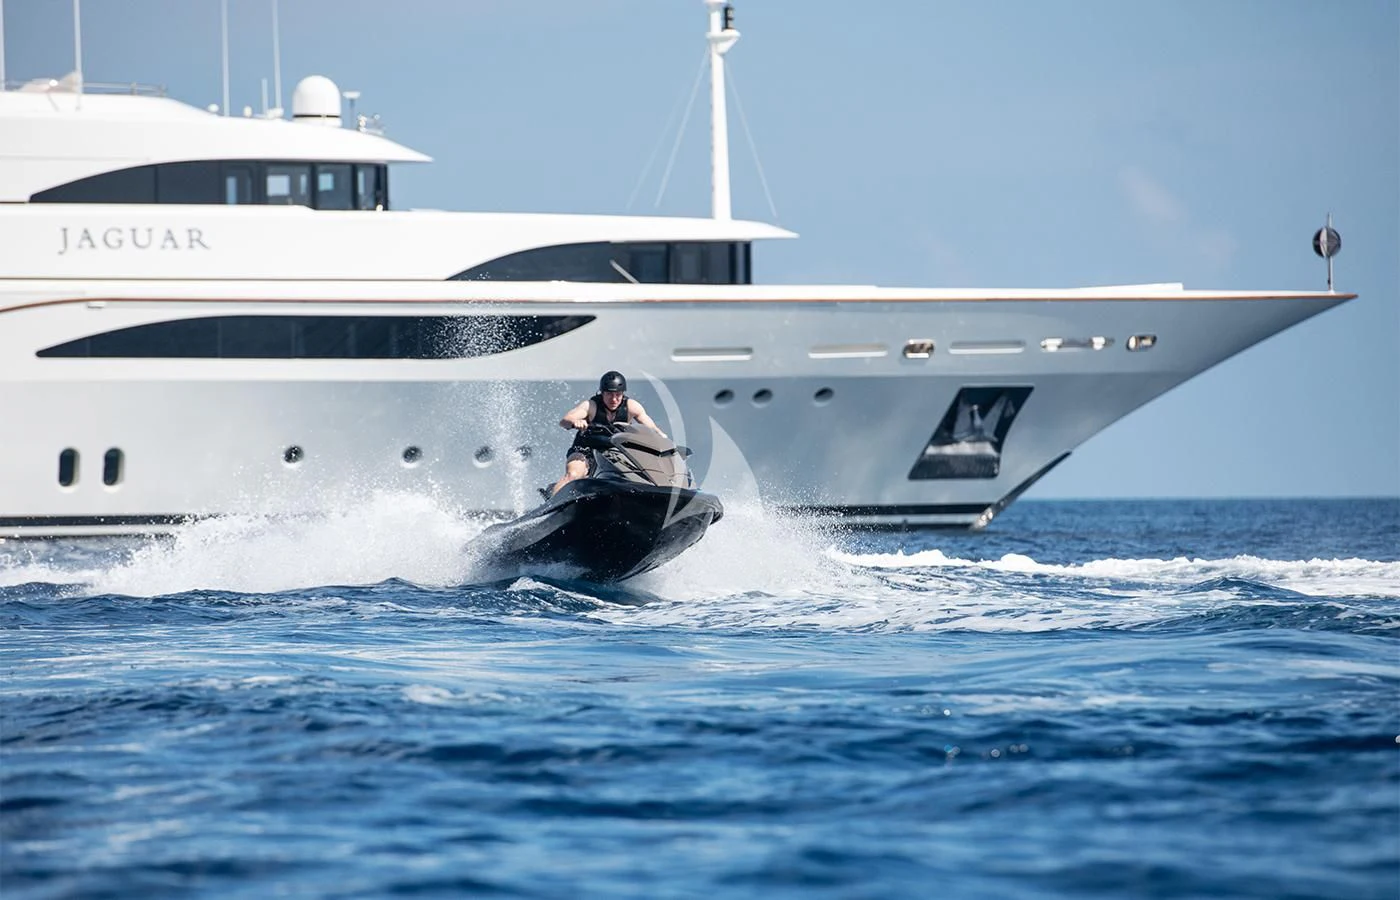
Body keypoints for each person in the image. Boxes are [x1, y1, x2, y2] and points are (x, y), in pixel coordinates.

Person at [551, 371, 666, 496]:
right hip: (585, 449)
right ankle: (552, 504)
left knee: (643, 473)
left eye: (618, 394)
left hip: (615, 452)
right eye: (609, 394)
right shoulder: (591, 406)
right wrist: (575, 421)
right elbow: (565, 421)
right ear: (602, 393)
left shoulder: (632, 407)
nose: (614, 399)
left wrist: (663, 440)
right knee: (573, 475)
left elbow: (652, 429)